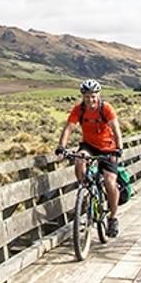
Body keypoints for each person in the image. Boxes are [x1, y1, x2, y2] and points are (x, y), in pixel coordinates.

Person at [55, 79, 125, 237]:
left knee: (109, 182)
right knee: (80, 159)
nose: (90, 100)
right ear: (83, 96)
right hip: (89, 146)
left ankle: (113, 218)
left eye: (93, 96)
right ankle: (85, 190)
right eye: (87, 96)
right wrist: (61, 147)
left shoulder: (106, 108)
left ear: (98, 95)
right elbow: (68, 128)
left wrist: (119, 149)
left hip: (109, 148)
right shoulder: (79, 110)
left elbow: (116, 129)